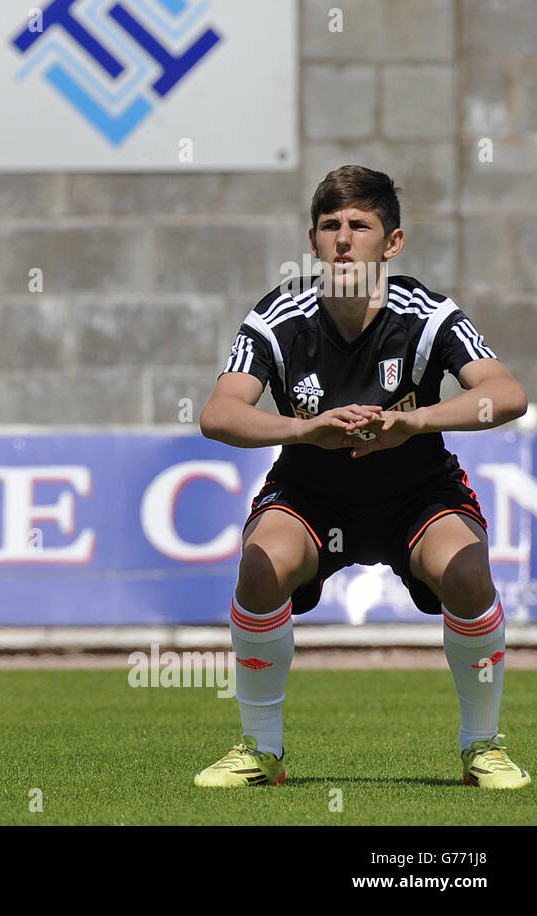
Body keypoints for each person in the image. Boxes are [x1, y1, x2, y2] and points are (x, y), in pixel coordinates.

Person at [195, 165, 530, 789]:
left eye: (359, 225)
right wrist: (305, 429)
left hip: (417, 495)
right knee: (259, 566)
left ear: (392, 243)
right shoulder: (279, 316)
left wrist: (416, 421)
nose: (344, 239)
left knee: (467, 571)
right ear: (313, 240)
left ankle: (481, 747)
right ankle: (262, 751)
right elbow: (218, 414)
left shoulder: (425, 313)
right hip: (312, 496)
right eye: (330, 226)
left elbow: (507, 396)